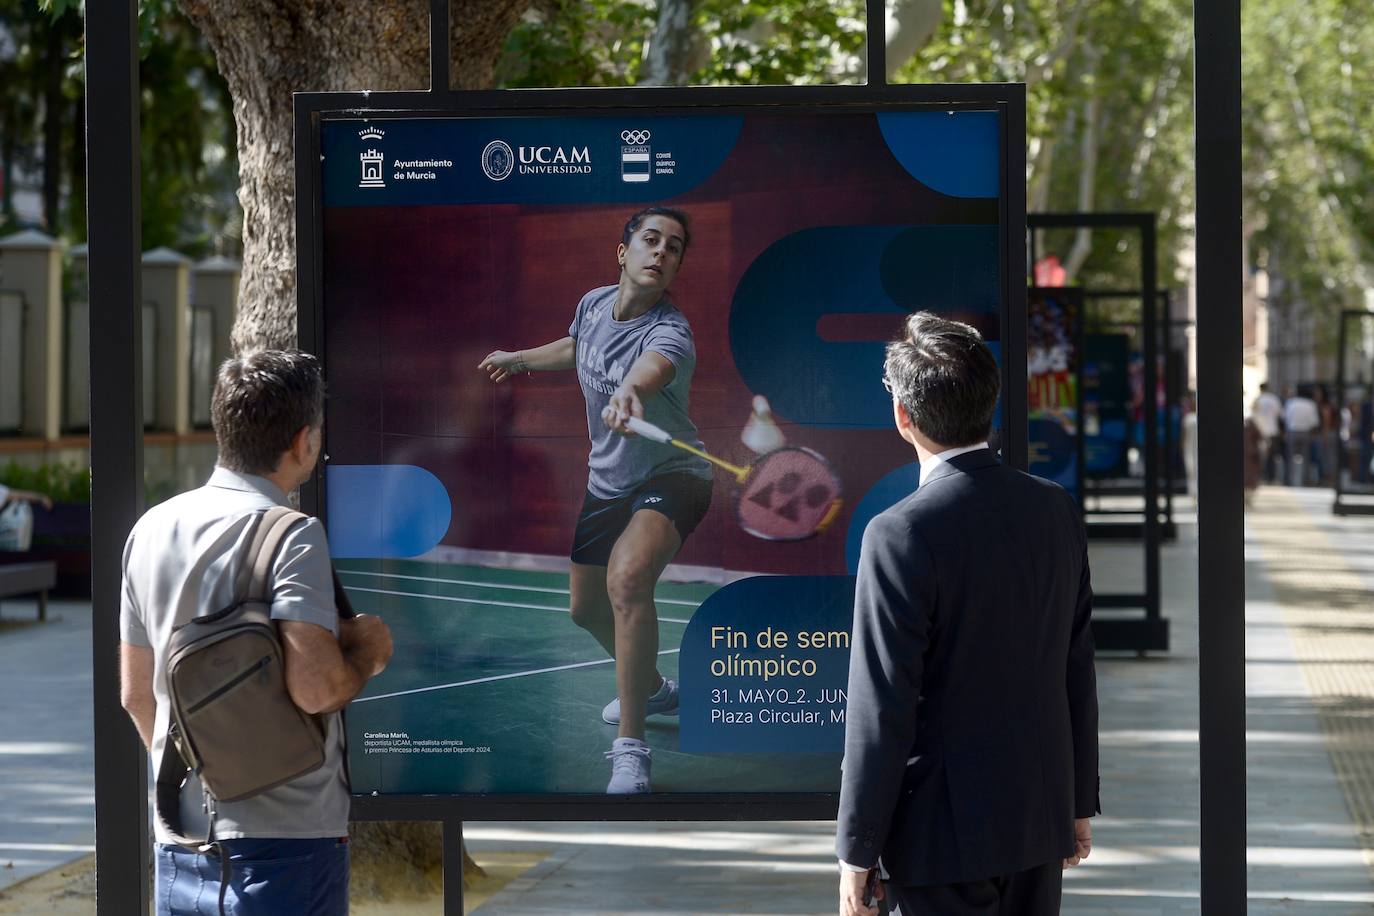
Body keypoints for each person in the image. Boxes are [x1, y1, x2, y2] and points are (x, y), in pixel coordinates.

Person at [836, 313, 1099, 916]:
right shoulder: (1055, 510)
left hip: (938, 839)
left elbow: (882, 706)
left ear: (903, 415)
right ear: (993, 403)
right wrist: (1076, 802)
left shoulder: (898, 532)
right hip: (1038, 819)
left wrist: (856, 852)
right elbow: (1075, 666)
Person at [119, 349, 394, 915]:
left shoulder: (149, 529)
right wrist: (367, 653)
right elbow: (316, 688)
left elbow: (135, 694)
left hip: (180, 838)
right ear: (303, 442)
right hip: (287, 840)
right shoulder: (291, 535)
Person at [479, 206, 713, 794]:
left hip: (675, 473)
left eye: (674, 248)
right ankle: (654, 690)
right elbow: (577, 346)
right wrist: (522, 360)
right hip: (608, 480)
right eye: (651, 241)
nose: (661, 253)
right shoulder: (592, 303)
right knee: (586, 609)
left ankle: (630, 752)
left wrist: (630, 394)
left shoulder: (671, 333)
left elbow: (648, 372)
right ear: (623, 253)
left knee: (628, 580)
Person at [1284, 386, 1320, 486]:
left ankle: (1289, 480)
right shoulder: (1311, 404)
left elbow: (1286, 418)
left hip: (1292, 431)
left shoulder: (1290, 402)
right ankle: (1304, 480)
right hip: (1305, 432)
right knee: (1306, 457)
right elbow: (1314, 422)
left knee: (1290, 456)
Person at [1253, 382, 1283, 483]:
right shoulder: (1274, 399)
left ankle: (1261, 476)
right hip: (1272, 430)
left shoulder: (1257, 400)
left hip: (1260, 431)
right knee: (1272, 455)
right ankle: (1272, 477)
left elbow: (1254, 416)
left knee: (1261, 455)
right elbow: (1279, 414)